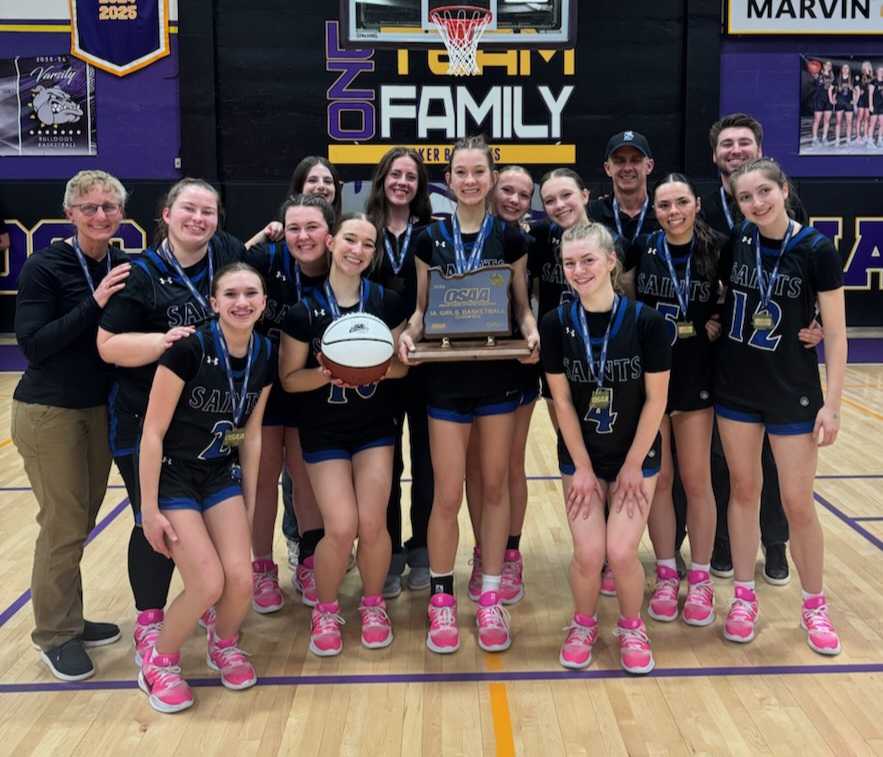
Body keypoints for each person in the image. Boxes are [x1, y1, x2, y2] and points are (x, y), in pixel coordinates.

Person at [399, 135, 540, 655]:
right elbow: (420, 308)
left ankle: (489, 595)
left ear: (491, 175)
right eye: (461, 172)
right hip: (445, 380)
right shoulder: (427, 239)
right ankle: (441, 597)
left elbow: (521, 306)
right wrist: (410, 334)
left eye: (479, 171)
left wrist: (530, 333)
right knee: (447, 492)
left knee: (496, 485)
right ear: (450, 178)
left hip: (498, 376)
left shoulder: (511, 237)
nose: (471, 180)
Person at [97, 178, 245, 668]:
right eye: (189, 209)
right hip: (147, 425)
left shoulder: (224, 264)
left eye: (209, 211)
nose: (198, 219)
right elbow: (108, 346)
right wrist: (165, 343)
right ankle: (151, 620)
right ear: (166, 213)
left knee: (204, 532)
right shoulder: (139, 273)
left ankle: (206, 609)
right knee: (153, 525)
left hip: (208, 428)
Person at [716, 158, 846, 655]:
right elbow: (727, 304)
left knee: (796, 502)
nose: (756, 203)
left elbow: (834, 334)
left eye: (764, 192)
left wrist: (831, 407)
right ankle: (744, 598)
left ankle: (814, 605)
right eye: (745, 197)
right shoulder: (738, 243)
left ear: (784, 188)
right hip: (736, 388)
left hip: (792, 389)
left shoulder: (816, 249)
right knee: (744, 492)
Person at [138, 263, 274, 713]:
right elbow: (152, 433)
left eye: (251, 293)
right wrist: (150, 510)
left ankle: (224, 641)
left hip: (220, 474)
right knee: (207, 582)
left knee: (241, 578)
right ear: (213, 303)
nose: (242, 302)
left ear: (263, 302)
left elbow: (251, 434)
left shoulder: (265, 352)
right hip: (176, 475)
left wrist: (250, 502)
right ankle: (159, 659)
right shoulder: (189, 349)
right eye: (230, 294)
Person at [12, 170, 131, 680]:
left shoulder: (124, 263)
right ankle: (54, 635)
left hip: (96, 407)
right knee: (62, 524)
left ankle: (71, 618)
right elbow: (34, 345)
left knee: (80, 522)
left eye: (109, 206)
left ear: (122, 214)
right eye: (90, 207)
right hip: (49, 411)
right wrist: (96, 301)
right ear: (70, 214)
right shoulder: (46, 266)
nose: (101, 215)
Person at [541, 222, 670, 674]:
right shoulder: (555, 324)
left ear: (611, 261)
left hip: (636, 454)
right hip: (582, 456)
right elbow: (560, 401)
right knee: (589, 554)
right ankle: (583, 623)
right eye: (570, 262)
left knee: (620, 552)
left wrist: (635, 465)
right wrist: (579, 467)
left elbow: (657, 400)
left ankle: (633, 626)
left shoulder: (648, 323)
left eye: (588, 260)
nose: (578, 270)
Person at [280, 213, 407, 657]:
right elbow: (290, 379)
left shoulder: (386, 302)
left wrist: (371, 369)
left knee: (373, 524)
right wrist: (328, 374)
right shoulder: (302, 311)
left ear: (374, 254)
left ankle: (372, 605)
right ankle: (327, 608)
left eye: (368, 244)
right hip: (324, 431)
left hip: (374, 428)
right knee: (341, 526)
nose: (358, 249)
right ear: (332, 243)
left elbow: (401, 367)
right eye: (350, 239)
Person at [702, 113, 819, 585]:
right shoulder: (705, 208)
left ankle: (776, 544)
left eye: (743, 142)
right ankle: (725, 545)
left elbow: (810, 278)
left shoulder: (795, 210)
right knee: (725, 457)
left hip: (777, 353)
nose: (735, 150)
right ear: (715, 156)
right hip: (725, 350)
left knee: (777, 457)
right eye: (726, 144)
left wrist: (815, 321)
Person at [624, 174, 723, 627]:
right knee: (658, 482)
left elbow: (742, 294)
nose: (673, 211)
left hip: (696, 377)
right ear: (655, 210)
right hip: (651, 381)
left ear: (697, 204)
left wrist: (718, 317)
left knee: (696, 479)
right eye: (664, 205)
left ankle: (699, 576)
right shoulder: (641, 249)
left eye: (681, 202)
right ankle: (666, 570)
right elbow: (624, 302)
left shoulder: (718, 249)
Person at [243, 194, 332, 612]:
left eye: (312, 227)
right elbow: (225, 272)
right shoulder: (266, 262)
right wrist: (260, 236)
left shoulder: (339, 268)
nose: (303, 236)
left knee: (305, 477)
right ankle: (261, 567)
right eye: (294, 227)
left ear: (329, 232)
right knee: (262, 481)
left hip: (311, 384)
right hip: (262, 385)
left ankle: (311, 561)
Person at [464, 165, 538, 606]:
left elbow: (526, 302)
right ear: (492, 188)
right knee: (476, 468)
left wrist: (531, 332)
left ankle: (508, 552)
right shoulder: (457, 236)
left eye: (523, 194)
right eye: (506, 189)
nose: (513, 198)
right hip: (465, 362)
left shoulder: (528, 240)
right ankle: (482, 550)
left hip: (517, 362)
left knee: (509, 465)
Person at [364, 147, 435, 597]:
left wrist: (411, 332)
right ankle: (387, 553)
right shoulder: (361, 232)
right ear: (382, 180)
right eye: (395, 174)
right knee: (385, 463)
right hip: (378, 363)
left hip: (426, 359)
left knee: (429, 462)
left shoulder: (431, 235)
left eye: (411, 176)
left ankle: (424, 549)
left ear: (419, 186)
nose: (402, 182)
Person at [587, 131, 660, 245]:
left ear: (649, 166)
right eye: (619, 161)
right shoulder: (591, 213)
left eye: (635, 160)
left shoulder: (664, 211)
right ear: (607, 168)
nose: (627, 168)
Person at [811, 61, 834, 146]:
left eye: (830, 65)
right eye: (827, 64)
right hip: (819, 100)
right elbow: (814, 82)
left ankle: (824, 138)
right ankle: (814, 139)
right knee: (817, 120)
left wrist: (833, 99)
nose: (828, 66)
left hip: (828, 101)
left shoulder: (832, 77)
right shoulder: (818, 75)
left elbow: (833, 89)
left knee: (827, 120)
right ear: (823, 66)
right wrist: (815, 75)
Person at [834, 64, 855, 147]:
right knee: (838, 122)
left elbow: (856, 91)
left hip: (849, 103)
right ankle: (837, 140)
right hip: (839, 102)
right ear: (842, 69)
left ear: (849, 70)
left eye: (847, 68)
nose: (845, 69)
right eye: (844, 68)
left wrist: (855, 99)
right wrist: (833, 99)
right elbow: (833, 90)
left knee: (849, 122)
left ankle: (848, 139)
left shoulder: (852, 79)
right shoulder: (837, 79)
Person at [855, 61, 873, 144]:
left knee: (867, 118)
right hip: (861, 99)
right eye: (864, 66)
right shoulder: (859, 76)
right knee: (859, 118)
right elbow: (857, 88)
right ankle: (858, 136)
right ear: (862, 67)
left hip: (869, 99)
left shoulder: (872, 77)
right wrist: (856, 99)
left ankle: (865, 135)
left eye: (868, 66)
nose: (866, 67)